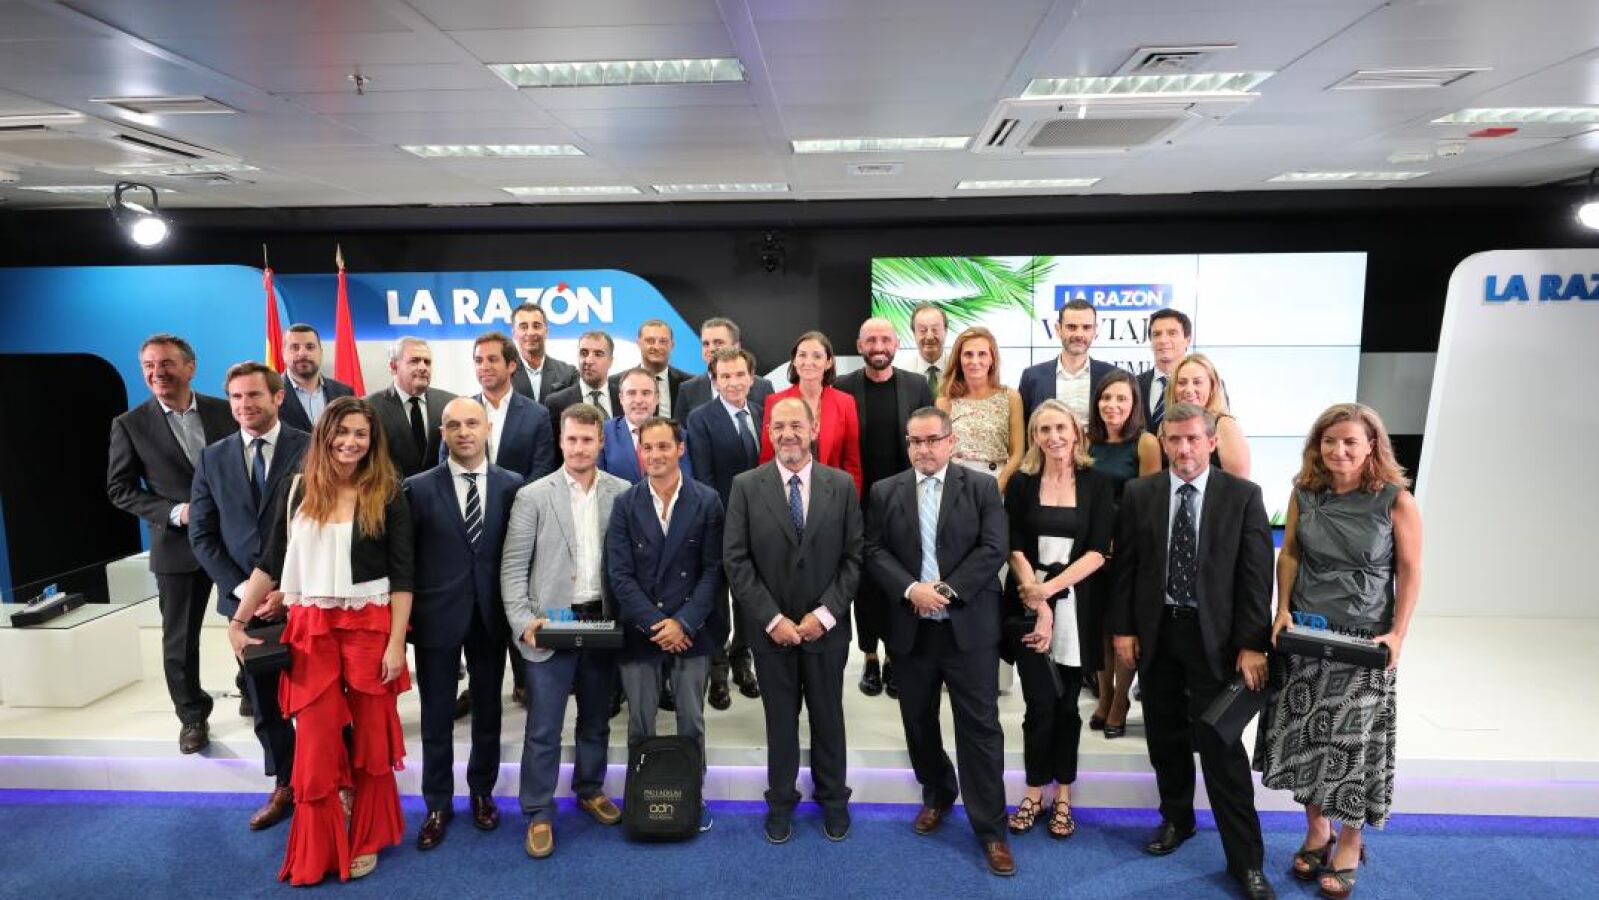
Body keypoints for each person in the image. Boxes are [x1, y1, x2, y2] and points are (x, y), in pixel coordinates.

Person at [227, 396, 415, 885]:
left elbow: (403, 577)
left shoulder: (387, 492)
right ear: (325, 435)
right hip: (311, 627)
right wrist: (238, 621)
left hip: (370, 625)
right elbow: (270, 562)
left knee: (372, 738)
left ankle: (367, 836)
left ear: (372, 442)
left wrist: (396, 643)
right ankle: (321, 843)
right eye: (343, 432)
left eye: (361, 434)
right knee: (315, 738)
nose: (351, 442)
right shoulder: (296, 489)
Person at [1110, 403, 1276, 900]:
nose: (1183, 449)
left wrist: (1252, 644)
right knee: (1165, 738)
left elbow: (1255, 578)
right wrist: (1123, 630)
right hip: (1158, 634)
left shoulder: (1243, 496)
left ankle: (1246, 862)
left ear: (1211, 442)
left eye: (1192, 439)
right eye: (1174, 440)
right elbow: (1127, 569)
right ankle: (1177, 819)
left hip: (1217, 642)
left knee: (1222, 749)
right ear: (1163, 442)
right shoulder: (1140, 493)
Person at [1258, 404, 1421, 900]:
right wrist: (1282, 609)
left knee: (1351, 745)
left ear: (1372, 445)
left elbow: (1410, 571)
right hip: (1306, 634)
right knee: (1305, 737)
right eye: (1330, 441)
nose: (1339, 450)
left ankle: (1350, 840)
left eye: (1351, 441)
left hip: (1365, 640)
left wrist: (1398, 634)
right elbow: (1290, 553)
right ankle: (1317, 830)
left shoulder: (1396, 500)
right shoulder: (1304, 491)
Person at [863, 406, 1015, 876]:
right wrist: (913, 590)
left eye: (932, 440)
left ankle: (990, 829)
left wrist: (945, 591)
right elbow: (873, 549)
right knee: (918, 722)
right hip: (911, 629)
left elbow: (993, 548)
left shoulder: (982, 487)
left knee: (980, 729)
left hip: (968, 629)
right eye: (915, 441)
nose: (923, 449)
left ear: (951, 442)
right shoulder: (885, 491)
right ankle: (939, 793)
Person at [724, 396, 862, 845]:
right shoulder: (746, 486)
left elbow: (853, 559)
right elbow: (736, 560)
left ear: (814, 429)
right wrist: (772, 619)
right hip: (771, 633)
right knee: (780, 722)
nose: (788, 434)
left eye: (796, 425)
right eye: (778, 426)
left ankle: (833, 800)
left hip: (826, 630)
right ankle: (781, 802)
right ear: (768, 432)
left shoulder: (841, 485)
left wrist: (824, 615)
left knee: (828, 719)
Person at [500, 403, 629, 859]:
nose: (578, 448)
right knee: (544, 726)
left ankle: (589, 788)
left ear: (601, 443)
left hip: (601, 621)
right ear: (560, 440)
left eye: (587, 440)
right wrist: (523, 622)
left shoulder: (622, 492)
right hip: (550, 623)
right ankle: (538, 810)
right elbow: (513, 568)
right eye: (571, 439)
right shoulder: (533, 496)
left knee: (596, 717)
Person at [189, 362, 308, 828]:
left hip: (304, 599)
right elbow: (202, 534)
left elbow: (327, 528)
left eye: (254, 395)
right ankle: (286, 784)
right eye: (236, 397)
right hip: (245, 605)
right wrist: (245, 594)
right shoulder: (212, 458)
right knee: (265, 704)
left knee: (320, 700)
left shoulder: (312, 447)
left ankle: (330, 781)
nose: (244, 405)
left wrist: (287, 590)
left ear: (278, 397)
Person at [106, 333, 234, 753]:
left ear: (190, 367)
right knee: (179, 640)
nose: (157, 372)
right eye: (149, 365)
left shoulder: (226, 410)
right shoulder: (129, 425)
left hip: (235, 542)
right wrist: (176, 512)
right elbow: (120, 489)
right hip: (177, 545)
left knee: (250, 623)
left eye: (166, 363)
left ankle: (254, 692)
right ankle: (192, 716)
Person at [404, 398, 522, 852]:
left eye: (472, 423)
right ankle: (437, 803)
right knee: (436, 716)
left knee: (488, 711)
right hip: (436, 617)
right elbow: (406, 561)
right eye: (453, 425)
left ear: (488, 427)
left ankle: (481, 792)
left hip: (491, 616)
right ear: (442, 433)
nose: (464, 432)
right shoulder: (416, 488)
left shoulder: (513, 486)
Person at [1000, 400, 1114, 841]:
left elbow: (1097, 552)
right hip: (1029, 602)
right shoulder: (1022, 483)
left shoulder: (1098, 483)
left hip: (1077, 606)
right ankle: (1034, 791)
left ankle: (1063, 793)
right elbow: (1014, 546)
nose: (1054, 437)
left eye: (1061, 428)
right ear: (1034, 436)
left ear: (1076, 432)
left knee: (1068, 706)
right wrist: (1039, 601)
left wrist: (1050, 592)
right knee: (1038, 705)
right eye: (1044, 429)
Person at [606, 416, 726, 831]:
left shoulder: (707, 501)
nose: (655, 454)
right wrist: (658, 624)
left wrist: (683, 624)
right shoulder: (625, 503)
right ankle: (640, 798)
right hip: (642, 630)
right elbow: (620, 575)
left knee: (691, 721)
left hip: (692, 631)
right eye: (648, 447)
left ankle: (693, 796)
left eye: (663, 446)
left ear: (680, 449)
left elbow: (713, 571)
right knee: (640, 723)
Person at [835, 317, 934, 699]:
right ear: (860, 345)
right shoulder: (843, 387)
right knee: (865, 584)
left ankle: (895, 656)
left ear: (896, 344)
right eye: (871, 340)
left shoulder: (916, 385)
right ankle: (870, 658)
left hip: (904, 501)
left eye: (885, 339)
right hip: (858, 502)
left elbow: (927, 444)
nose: (879, 346)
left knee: (900, 579)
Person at [685, 347, 766, 709]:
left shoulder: (763, 414)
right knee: (717, 600)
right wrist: (728, 522)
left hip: (762, 526)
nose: (733, 382)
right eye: (725, 376)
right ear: (715, 381)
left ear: (751, 377)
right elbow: (702, 479)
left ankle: (742, 660)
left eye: (739, 375)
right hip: (719, 523)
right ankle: (717, 670)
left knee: (750, 598)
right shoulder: (701, 418)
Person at [1084, 369, 1161, 737]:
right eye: (1106, 397)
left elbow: (1149, 503)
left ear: (1134, 405)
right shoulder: (1086, 440)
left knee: (1122, 626)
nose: (1112, 405)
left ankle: (1120, 701)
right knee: (1097, 625)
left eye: (1121, 399)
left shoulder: (1145, 443)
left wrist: (1122, 543)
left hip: (1129, 546)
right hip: (1092, 548)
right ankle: (1104, 694)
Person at [758, 331, 864, 495]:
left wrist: (850, 502)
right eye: (802, 355)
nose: (808, 362)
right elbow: (767, 458)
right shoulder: (775, 401)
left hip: (833, 494)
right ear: (794, 361)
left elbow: (852, 463)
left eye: (817, 356)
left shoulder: (846, 402)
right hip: (788, 493)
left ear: (828, 362)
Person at [937, 327, 1023, 495]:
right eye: (968, 354)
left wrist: (999, 485)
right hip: (956, 484)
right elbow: (941, 452)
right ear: (959, 359)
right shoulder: (945, 401)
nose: (975, 361)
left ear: (992, 359)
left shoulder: (1011, 397)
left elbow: (1017, 453)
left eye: (982, 354)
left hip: (997, 482)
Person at [466, 331, 555, 485]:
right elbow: (448, 463)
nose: (484, 367)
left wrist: (518, 496)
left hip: (520, 498)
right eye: (479, 361)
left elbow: (543, 468)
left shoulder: (537, 414)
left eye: (492, 359)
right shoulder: (461, 411)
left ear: (512, 366)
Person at [1018, 299, 1118, 427]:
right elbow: (1024, 429)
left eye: (1086, 327)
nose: (1079, 334)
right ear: (1058, 329)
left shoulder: (1112, 376)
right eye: (1072, 327)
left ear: (1095, 330)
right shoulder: (1032, 377)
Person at [366, 336, 455, 478]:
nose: (423, 367)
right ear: (393, 367)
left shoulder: (449, 403)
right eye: (414, 361)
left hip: (439, 490)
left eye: (427, 362)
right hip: (391, 490)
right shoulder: (370, 407)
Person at [600, 368, 690, 483]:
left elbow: (686, 479)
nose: (638, 400)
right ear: (621, 398)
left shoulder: (677, 433)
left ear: (657, 398)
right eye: (631, 393)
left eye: (646, 393)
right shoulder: (604, 432)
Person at [1167, 353, 1250, 478]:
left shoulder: (1224, 425)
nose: (1189, 390)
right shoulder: (1165, 426)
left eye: (1197, 382)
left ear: (1212, 386)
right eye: (1182, 383)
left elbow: (1241, 485)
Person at [676, 317, 773, 416]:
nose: (711, 349)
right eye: (706, 344)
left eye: (718, 343)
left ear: (736, 346)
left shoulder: (763, 387)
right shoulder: (688, 390)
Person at [543, 330, 622, 442]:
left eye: (598, 354)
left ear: (611, 361)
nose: (588, 361)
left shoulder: (624, 398)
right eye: (584, 353)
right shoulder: (557, 403)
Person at [279, 323, 355, 433]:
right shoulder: (270, 393)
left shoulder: (344, 393)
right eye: (295, 347)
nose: (303, 353)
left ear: (321, 352)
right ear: (283, 354)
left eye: (310, 347)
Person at [611, 319, 691, 417]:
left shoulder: (690, 384)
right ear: (638, 343)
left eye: (663, 341)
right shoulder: (615, 384)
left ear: (672, 345)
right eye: (650, 341)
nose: (657, 347)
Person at [509, 301, 578, 403]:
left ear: (546, 331)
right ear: (514, 333)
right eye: (523, 327)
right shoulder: (504, 374)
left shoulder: (568, 374)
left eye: (536, 326)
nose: (530, 332)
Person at [1138, 309, 1191, 436]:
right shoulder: (1133, 384)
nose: (1163, 340)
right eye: (1156, 334)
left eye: (1172, 333)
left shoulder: (1206, 384)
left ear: (1187, 340)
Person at [911, 302, 948, 396]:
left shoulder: (959, 369)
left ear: (945, 331)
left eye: (935, 329)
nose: (929, 336)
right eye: (922, 330)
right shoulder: (902, 372)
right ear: (914, 334)